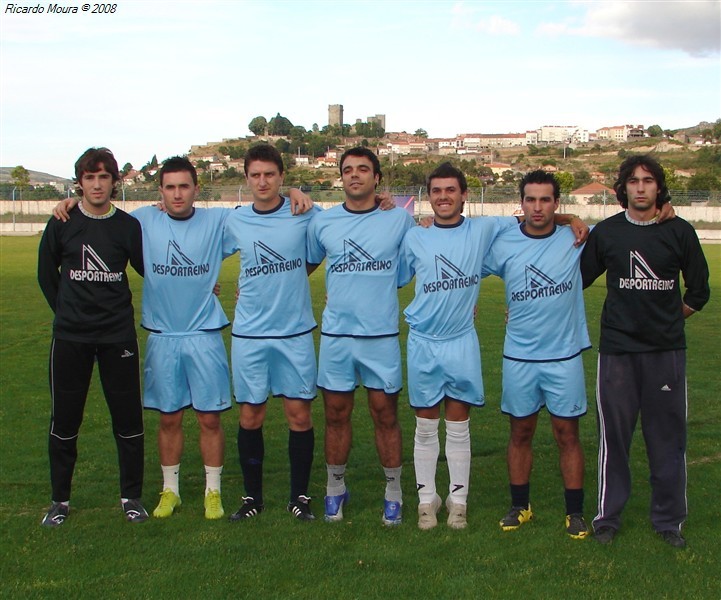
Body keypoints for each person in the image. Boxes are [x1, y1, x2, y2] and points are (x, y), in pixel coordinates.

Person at [581, 155, 710, 548]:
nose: (640, 187)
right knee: (614, 439)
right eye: (633, 180)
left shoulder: (680, 231)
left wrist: (670, 320)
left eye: (648, 180)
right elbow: (576, 280)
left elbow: (699, 291)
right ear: (623, 188)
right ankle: (607, 517)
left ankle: (668, 521)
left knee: (666, 439)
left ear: (659, 187)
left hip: (665, 353)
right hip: (617, 351)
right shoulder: (608, 233)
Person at [398, 162, 520, 530]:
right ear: (428, 197)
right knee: (424, 425)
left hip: (460, 340)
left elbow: (533, 220)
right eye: (436, 191)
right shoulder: (414, 237)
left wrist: (569, 218)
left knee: (459, 424)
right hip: (423, 341)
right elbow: (396, 277)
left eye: (451, 190)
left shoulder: (484, 228)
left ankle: (459, 502)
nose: (444, 197)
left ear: (464, 195)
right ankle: (425, 502)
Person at [38, 147, 147, 526]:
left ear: (115, 181)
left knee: (128, 421)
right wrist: (68, 313)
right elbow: (45, 274)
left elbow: (149, 269)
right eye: (89, 177)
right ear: (79, 181)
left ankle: (131, 497)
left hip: (118, 336)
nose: (97, 184)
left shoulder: (128, 226)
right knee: (65, 421)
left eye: (104, 177)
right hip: (71, 339)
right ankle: (60, 502)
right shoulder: (63, 221)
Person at [306, 147, 416, 526]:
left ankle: (394, 493)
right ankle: (335, 489)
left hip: (381, 336)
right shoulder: (323, 223)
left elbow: (413, 267)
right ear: (341, 177)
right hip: (336, 336)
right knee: (336, 414)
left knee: (385, 415)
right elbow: (297, 268)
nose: (355, 175)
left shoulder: (399, 222)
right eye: (348, 169)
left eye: (363, 169)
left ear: (377, 178)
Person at [483, 170, 592, 539]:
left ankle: (574, 513)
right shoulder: (504, 244)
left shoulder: (574, 238)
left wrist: (572, 220)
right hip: (519, 357)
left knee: (567, 435)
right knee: (520, 432)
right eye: (531, 199)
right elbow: (463, 264)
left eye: (546, 200)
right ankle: (520, 506)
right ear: (522, 203)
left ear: (557, 204)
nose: (538, 206)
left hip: (564, 357)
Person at [222, 144, 320, 522]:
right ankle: (252, 498)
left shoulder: (304, 213)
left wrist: (302, 194)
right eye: (255, 175)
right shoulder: (233, 221)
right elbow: (195, 237)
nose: (262, 181)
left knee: (299, 415)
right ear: (246, 179)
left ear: (282, 176)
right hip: (250, 333)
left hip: (294, 332)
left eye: (270, 174)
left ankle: (299, 497)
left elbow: (345, 221)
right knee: (250, 416)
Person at [132, 157, 232, 520]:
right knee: (169, 418)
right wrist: (69, 202)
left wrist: (296, 193)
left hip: (204, 335)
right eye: (170, 187)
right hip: (162, 336)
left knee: (209, 419)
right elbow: (98, 218)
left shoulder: (217, 220)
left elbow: (264, 216)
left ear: (196, 189)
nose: (177, 194)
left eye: (184, 186)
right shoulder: (143, 219)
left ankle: (213, 492)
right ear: (160, 191)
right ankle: (170, 491)